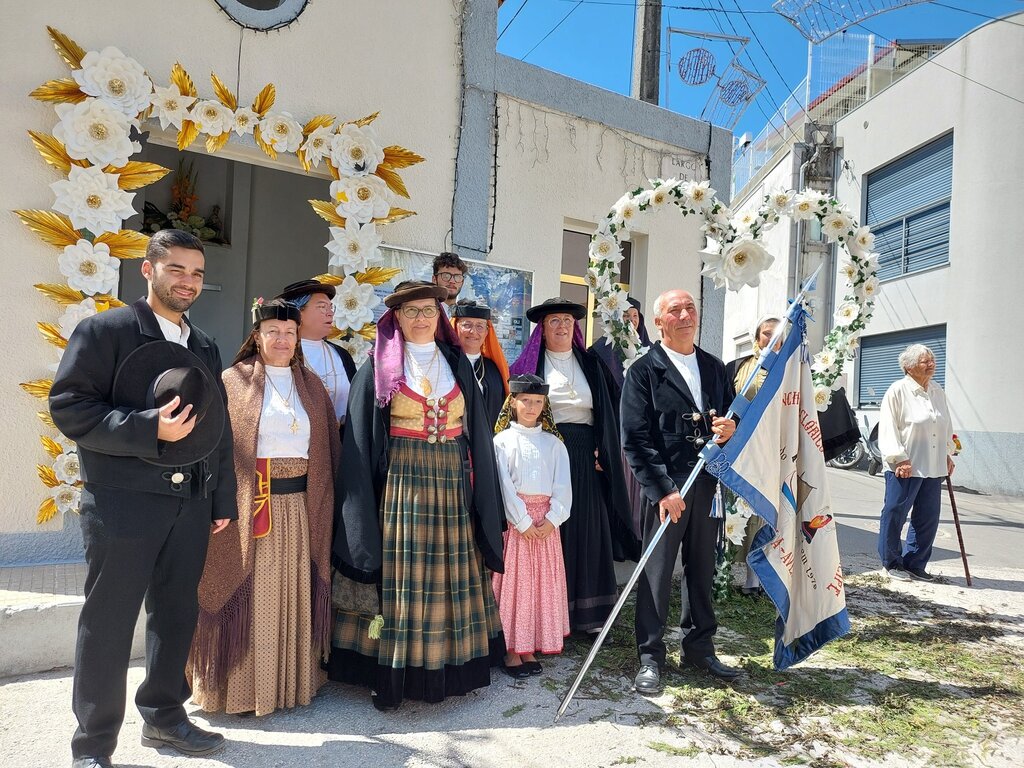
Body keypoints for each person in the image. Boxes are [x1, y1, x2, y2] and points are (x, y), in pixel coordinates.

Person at [49, 229, 235, 768]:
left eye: (197, 273)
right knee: (108, 622)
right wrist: (147, 426)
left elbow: (217, 428)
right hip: (122, 504)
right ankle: (92, 746)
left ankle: (165, 717)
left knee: (176, 614)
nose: (188, 282)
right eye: (176, 269)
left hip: (190, 503)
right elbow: (70, 407)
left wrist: (220, 498)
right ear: (147, 270)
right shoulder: (104, 331)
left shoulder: (204, 345)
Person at [329, 280, 506, 710]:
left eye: (428, 310)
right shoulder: (378, 366)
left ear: (439, 316)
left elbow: (477, 433)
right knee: (404, 576)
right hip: (403, 485)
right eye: (411, 311)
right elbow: (360, 442)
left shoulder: (456, 363)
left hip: (449, 483)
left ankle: (447, 669)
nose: (421, 318)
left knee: (448, 573)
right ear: (397, 318)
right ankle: (392, 675)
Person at [189, 299, 340, 716]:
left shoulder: (312, 386)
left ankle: (290, 684)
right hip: (249, 506)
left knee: (293, 594)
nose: (282, 339)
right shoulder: (232, 381)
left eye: (290, 332)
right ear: (257, 336)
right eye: (273, 331)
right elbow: (213, 449)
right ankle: (239, 691)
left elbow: (329, 452)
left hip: (302, 509)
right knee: (253, 595)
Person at [621, 289, 739, 696]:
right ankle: (651, 656)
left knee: (702, 568)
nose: (686, 315)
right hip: (665, 490)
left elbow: (731, 416)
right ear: (659, 322)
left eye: (691, 308)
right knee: (656, 573)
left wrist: (731, 429)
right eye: (675, 310)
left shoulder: (714, 366)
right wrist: (662, 490)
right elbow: (635, 438)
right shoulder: (643, 371)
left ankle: (699, 648)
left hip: (706, 483)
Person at [509, 297, 639, 632]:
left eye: (567, 320)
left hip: (585, 455)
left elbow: (609, 409)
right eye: (554, 320)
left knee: (589, 529)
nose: (562, 326)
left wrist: (604, 450)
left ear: (575, 327)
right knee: (554, 531)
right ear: (542, 329)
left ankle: (590, 617)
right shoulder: (529, 366)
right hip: (545, 452)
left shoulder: (591, 363)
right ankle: (551, 619)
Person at [491, 374, 572, 679]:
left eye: (538, 402)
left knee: (541, 587)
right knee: (517, 587)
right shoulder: (501, 442)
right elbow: (503, 486)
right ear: (512, 402)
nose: (532, 407)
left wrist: (552, 520)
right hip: (517, 527)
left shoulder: (554, 444)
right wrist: (523, 521)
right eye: (525, 400)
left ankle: (530, 645)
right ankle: (512, 648)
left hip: (546, 527)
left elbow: (563, 485)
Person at [876, 344, 955, 582]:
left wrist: (947, 453)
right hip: (906, 465)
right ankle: (891, 563)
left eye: (932, 360)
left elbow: (945, 425)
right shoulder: (898, 391)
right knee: (895, 513)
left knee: (928, 517)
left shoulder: (937, 391)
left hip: (934, 464)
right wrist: (899, 458)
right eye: (925, 361)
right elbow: (888, 427)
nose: (931, 364)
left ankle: (915, 563)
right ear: (909, 367)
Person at [724, 314, 782, 597]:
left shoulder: (792, 368)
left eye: (777, 333)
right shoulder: (738, 367)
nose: (771, 337)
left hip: (775, 451)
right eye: (766, 333)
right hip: (741, 449)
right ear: (757, 338)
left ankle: (757, 579)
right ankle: (727, 574)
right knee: (737, 510)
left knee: (765, 512)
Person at [589, 296, 653, 542]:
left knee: (641, 489)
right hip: (613, 432)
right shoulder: (599, 354)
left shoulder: (651, 353)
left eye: (635, 316)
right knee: (618, 488)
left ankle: (640, 540)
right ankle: (618, 542)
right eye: (625, 316)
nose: (631, 321)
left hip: (644, 434)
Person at [275, 279, 357, 430]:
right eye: (322, 307)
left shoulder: (341, 355)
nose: (330, 313)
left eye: (331, 307)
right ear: (298, 313)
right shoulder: (281, 354)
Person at [452, 298, 510, 427]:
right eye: (467, 325)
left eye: (480, 326)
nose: (473, 332)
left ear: (487, 332)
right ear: (456, 327)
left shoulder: (493, 369)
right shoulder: (446, 363)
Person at [431, 251, 468, 315]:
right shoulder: (425, 313)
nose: (452, 281)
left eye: (457, 277)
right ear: (434, 279)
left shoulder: (467, 314)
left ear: (462, 282)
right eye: (446, 276)